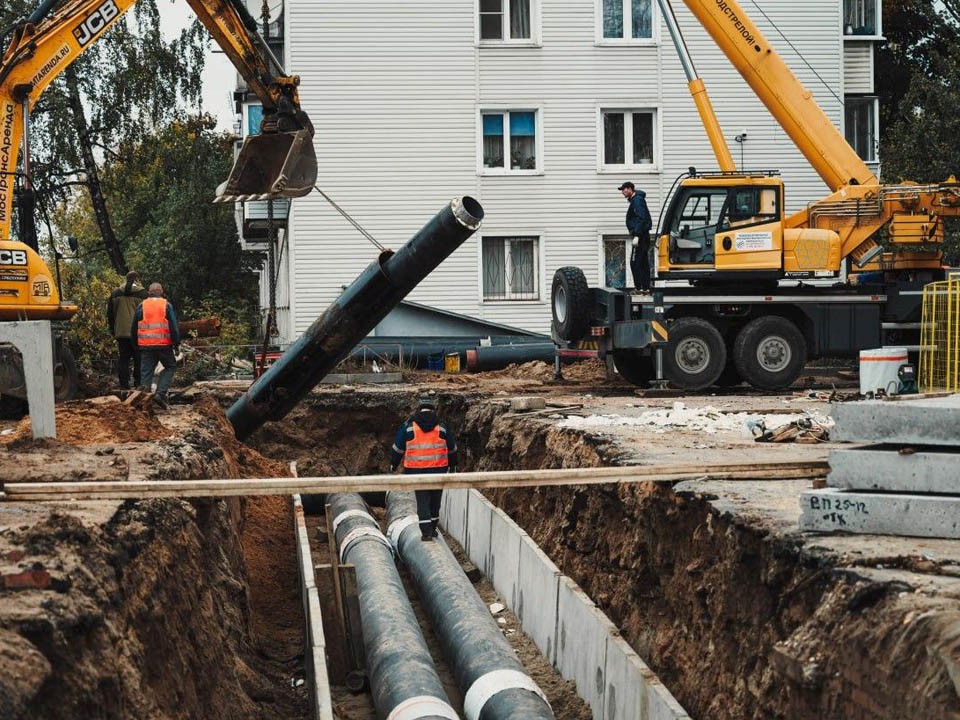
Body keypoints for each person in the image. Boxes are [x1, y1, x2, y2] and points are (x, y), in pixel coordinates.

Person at [389, 395, 458, 541]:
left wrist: (393, 464)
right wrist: (453, 465)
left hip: (416, 470)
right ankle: (432, 528)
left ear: (419, 409)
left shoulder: (409, 426)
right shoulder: (441, 426)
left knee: (422, 501)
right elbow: (452, 448)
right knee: (435, 501)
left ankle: (426, 533)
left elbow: (398, 447)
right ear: (433, 409)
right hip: (438, 470)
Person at [131, 283, 180, 409]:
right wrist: (176, 344)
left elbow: (133, 328)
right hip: (164, 345)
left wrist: (136, 345)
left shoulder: (142, 305)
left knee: (146, 373)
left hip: (146, 346)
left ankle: (144, 403)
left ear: (149, 292)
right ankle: (160, 393)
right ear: (161, 291)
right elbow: (173, 328)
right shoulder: (166, 305)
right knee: (170, 366)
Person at [106, 271, 148, 390]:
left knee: (123, 358)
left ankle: (124, 384)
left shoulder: (115, 293)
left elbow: (110, 314)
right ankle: (138, 383)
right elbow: (146, 314)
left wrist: (113, 329)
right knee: (138, 358)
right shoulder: (143, 294)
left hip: (121, 331)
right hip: (138, 332)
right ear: (137, 280)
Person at [619, 181, 653, 293]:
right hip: (643, 235)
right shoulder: (636, 200)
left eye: (623, 190)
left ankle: (639, 288)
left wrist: (637, 235)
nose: (622, 192)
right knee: (643, 262)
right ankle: (645, 288)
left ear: (629, 189)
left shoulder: (637, 200)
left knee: (635, 262)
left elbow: (642, 217)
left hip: (641, 236)